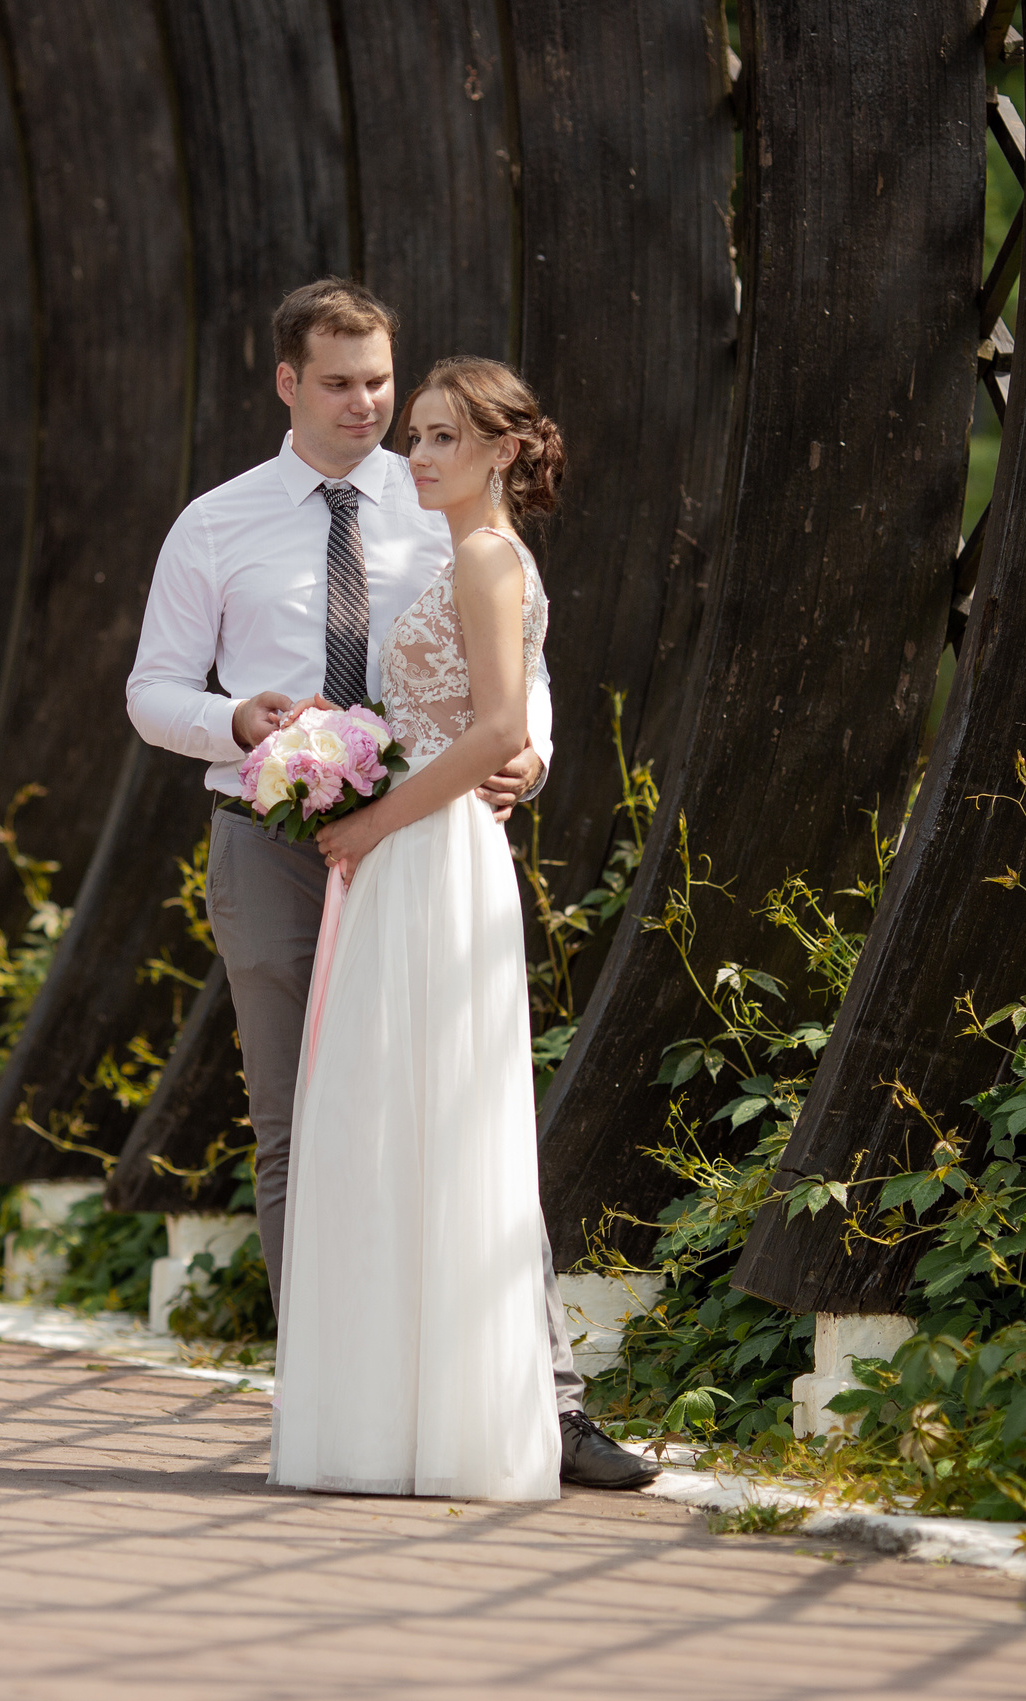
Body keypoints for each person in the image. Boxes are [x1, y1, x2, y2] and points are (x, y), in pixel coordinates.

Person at [125, 280, 654, 1493]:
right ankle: (337, 1402)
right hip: (268, 836)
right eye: (340, 384)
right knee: (299, 1135)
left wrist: (534, 753)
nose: (371, 410)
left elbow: (519, 662)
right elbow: (152, 690)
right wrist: (234, 717)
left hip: (417, 843)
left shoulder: (439, 497)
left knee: (461, 1115)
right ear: (285, 384)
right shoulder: (216, 523)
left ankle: (544, 1409)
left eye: (382, 383)